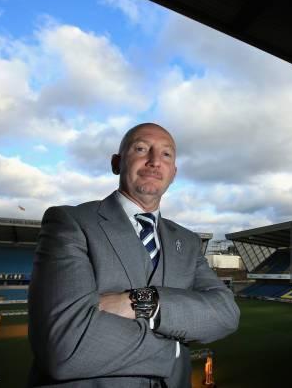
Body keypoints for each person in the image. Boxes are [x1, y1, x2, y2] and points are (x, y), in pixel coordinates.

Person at [27, 123, 240, 387]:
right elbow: (65, 347)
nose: (154, 161)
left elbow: (226, 313)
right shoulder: (70, 222)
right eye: (141, 149)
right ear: (117, 163)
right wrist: (174, 349)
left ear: (174, 173)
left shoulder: (188, 241)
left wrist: (141, 303)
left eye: (166, 155)